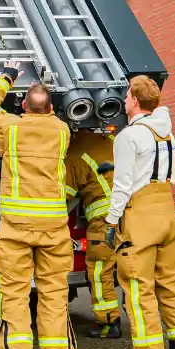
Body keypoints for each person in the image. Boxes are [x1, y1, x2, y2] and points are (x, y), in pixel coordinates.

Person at [0, 60, 76, 349]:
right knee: (53, 294)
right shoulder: (62, 131)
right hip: (53, 230)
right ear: (51, 107)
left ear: (23, 106)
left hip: (15, 230)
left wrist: (5, 77)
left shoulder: (10, 128)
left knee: (15, 294)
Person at [105, 75, 175, 349]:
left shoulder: (128, 137)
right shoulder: (169, 135)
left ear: (134, 100)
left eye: (126, 96)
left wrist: (111, 221)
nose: (123, 100)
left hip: (140, 216)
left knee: (138, 287)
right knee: (172, 283)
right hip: (168, 212)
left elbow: (122, 186)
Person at [63, 128, 123, 338]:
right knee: (133, 268)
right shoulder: (114, 139)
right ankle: (138, 318)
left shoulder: (75, 152)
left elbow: (64, 195)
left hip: (104, 222)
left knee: (100, 271)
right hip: (134, 214)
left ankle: (108, 322)